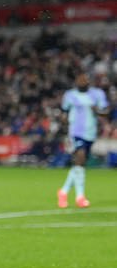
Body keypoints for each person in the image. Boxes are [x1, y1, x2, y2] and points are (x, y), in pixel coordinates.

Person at [57, 73, 108, 208]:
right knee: (80, 158)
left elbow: (105, 111)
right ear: (76, 82)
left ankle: (63, 191)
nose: (81, 82)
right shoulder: (70, 95)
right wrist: (63, 124)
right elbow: (64, 112)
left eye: (84, 80)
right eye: (79, 80)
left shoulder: (97, 94)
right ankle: (80, 197)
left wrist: (96, 110)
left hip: (90, 133)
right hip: (75, 132)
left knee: (80, 164)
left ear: (88, 82)